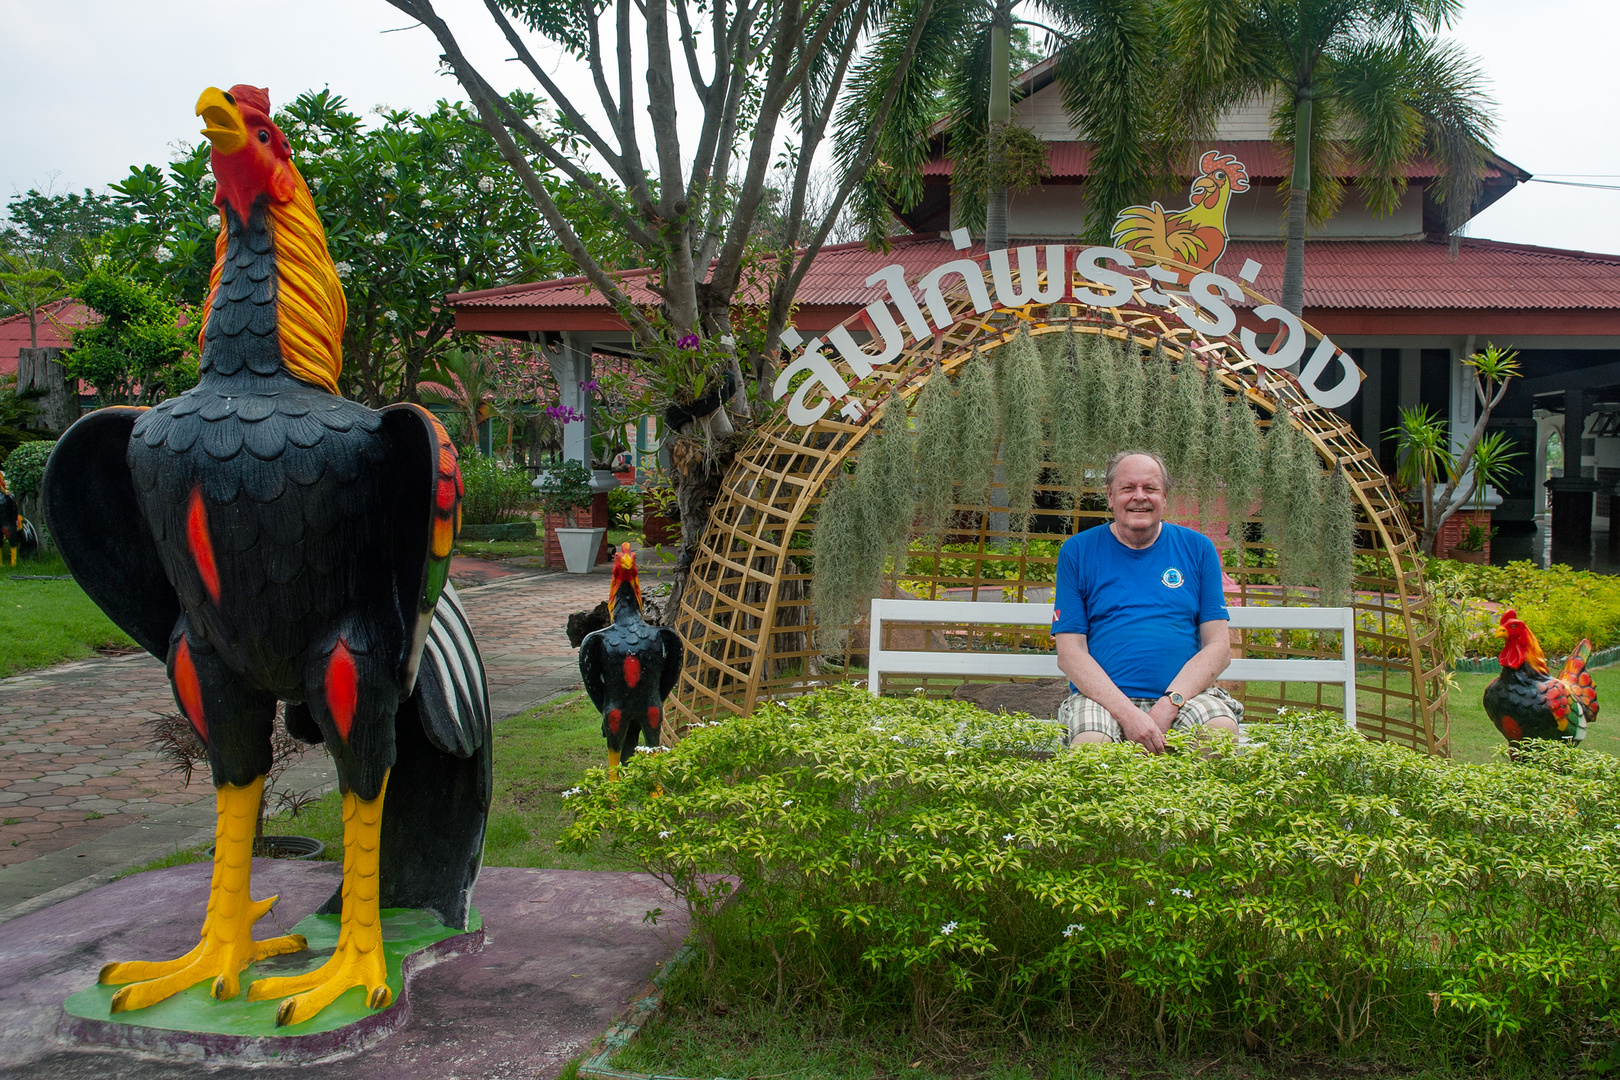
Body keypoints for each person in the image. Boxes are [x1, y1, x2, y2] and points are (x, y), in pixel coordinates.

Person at [1051, 450, 1241, 752]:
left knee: (1219, 733)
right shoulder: (1077, 552)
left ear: (1164, 497)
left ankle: (1190, 803)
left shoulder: (1198, 549)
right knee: (1091, 746)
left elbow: (1219, 647)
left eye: (1150, 488)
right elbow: (1069, 653)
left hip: (1184, 696)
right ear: (1110, 496)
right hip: (1103, 699)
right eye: (1128, 488)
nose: (1140, 497)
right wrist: (1128, 715)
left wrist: (1169, 704)